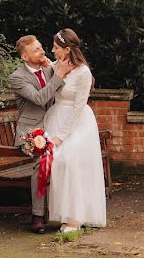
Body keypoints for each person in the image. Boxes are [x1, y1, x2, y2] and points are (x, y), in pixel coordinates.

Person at [9, 34, 74, 233]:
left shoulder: (49, 67)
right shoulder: (17, 78)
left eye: (41, 47)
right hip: (29, 133)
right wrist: (58, 76)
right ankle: (37, 216)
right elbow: (39, 98)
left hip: (52, 127)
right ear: (25, 57)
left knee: (70, 156)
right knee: (42, 161)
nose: (42, 51)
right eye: (36, 50)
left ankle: (67, 211)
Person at [43, 28, 107, 232]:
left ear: (67, 49)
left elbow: (79, 106)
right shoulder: (55, 66)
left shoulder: (83, 72)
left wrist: (61, 136)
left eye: (55, 47)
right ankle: (61, 214)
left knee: (69, 161)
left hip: (78, 123)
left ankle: (75, 218)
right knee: (55, 164)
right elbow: (44, 67)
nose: (52, 50)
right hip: (55, 117)